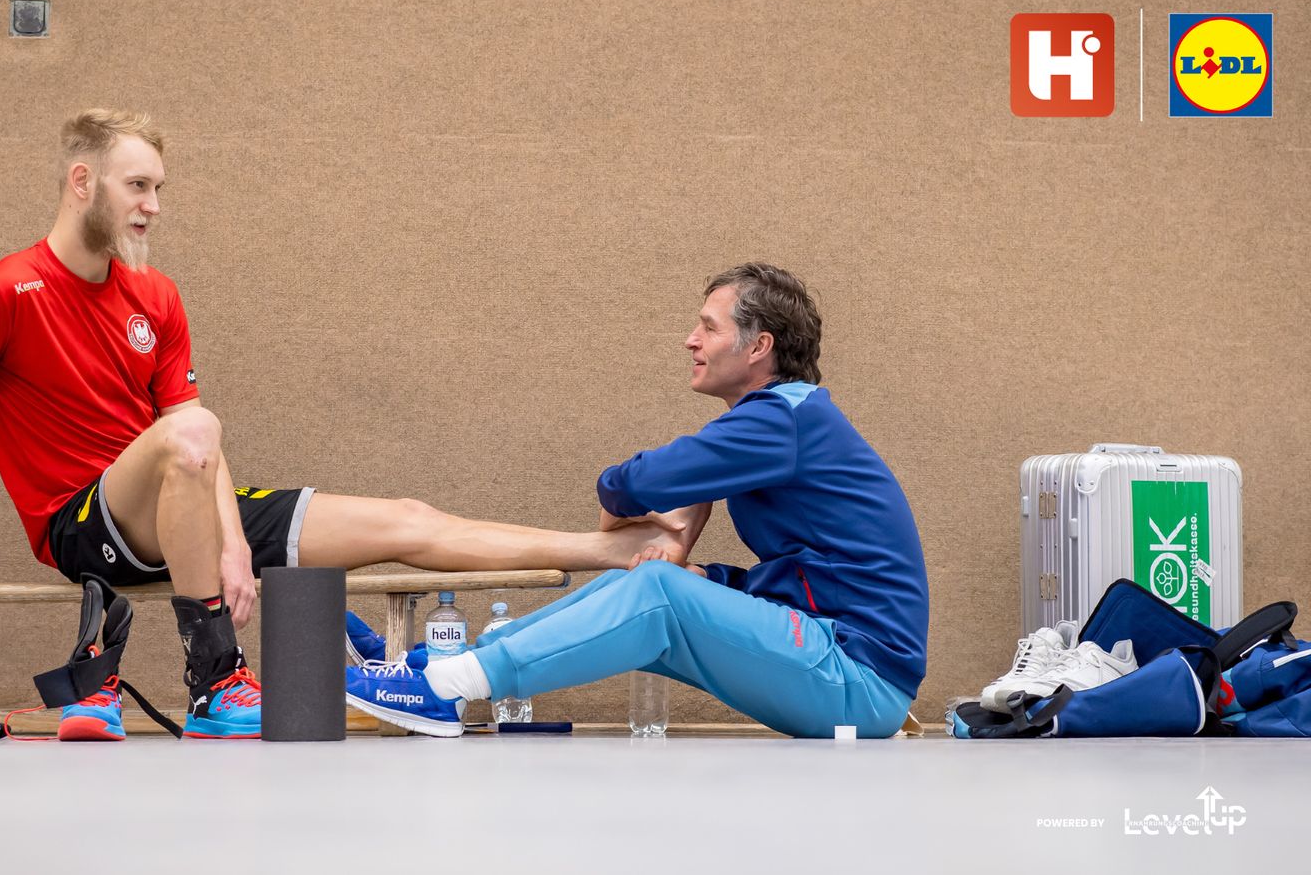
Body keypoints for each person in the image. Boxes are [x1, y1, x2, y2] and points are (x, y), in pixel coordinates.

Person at [0, 108, 685, 741]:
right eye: (137, 186)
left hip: (185, 498)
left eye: (159, 189)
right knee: (190, 434)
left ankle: (612, 551)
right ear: (82, 183)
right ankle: (216, 681)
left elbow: (193, 434)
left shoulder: (155, 295)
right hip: (81, 523)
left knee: (405, 518)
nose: (153, 206)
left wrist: (233, 543)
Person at [345, 263, 929, 738]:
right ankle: (441, 664)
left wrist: (626, 509)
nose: (690, 340)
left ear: (759, 346)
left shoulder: (782, 421)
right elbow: (812, 575)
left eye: (709, 328)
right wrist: (713, 579)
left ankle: (443, 690)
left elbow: (631, 484)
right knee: (647, 584)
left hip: (859, 679)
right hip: (836, 663)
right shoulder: (786, 422)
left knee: (658, 589)